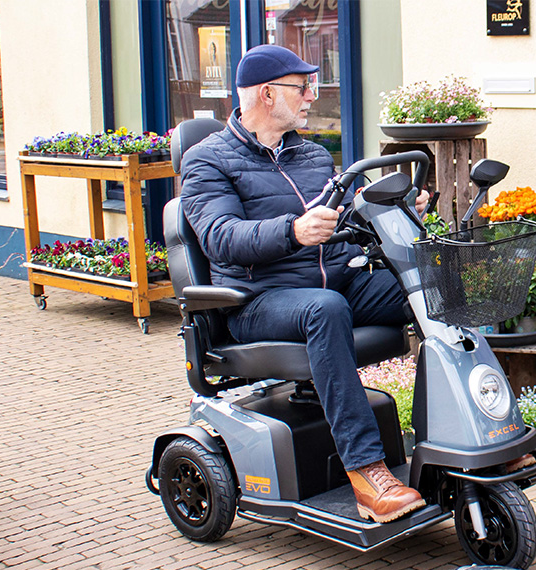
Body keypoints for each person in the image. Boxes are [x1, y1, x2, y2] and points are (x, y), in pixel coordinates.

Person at [178, 45, 426, 523]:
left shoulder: (310, 154)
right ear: (268, 94)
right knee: (325, 308)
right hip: (255, 301)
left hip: (331, 282)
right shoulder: (207, 161)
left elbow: (349, 212)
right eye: (303, 87)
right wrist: (292, 230)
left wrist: (400, 206)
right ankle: (367, 471)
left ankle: (464, 432)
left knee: (428, 286)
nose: (314, 96)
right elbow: (220, 237)